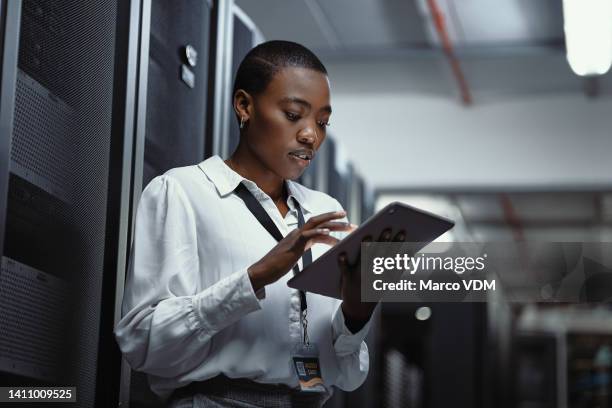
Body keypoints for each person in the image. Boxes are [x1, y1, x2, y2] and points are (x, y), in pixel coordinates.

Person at [115, 40, 398, 408]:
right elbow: (143, 343)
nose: (311, 135)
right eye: (295, 115)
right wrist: (254, 278)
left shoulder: (326, 211)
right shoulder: (183, 192)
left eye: (322, 122)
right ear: (245, 106)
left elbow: (347, 372)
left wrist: (357, 311)